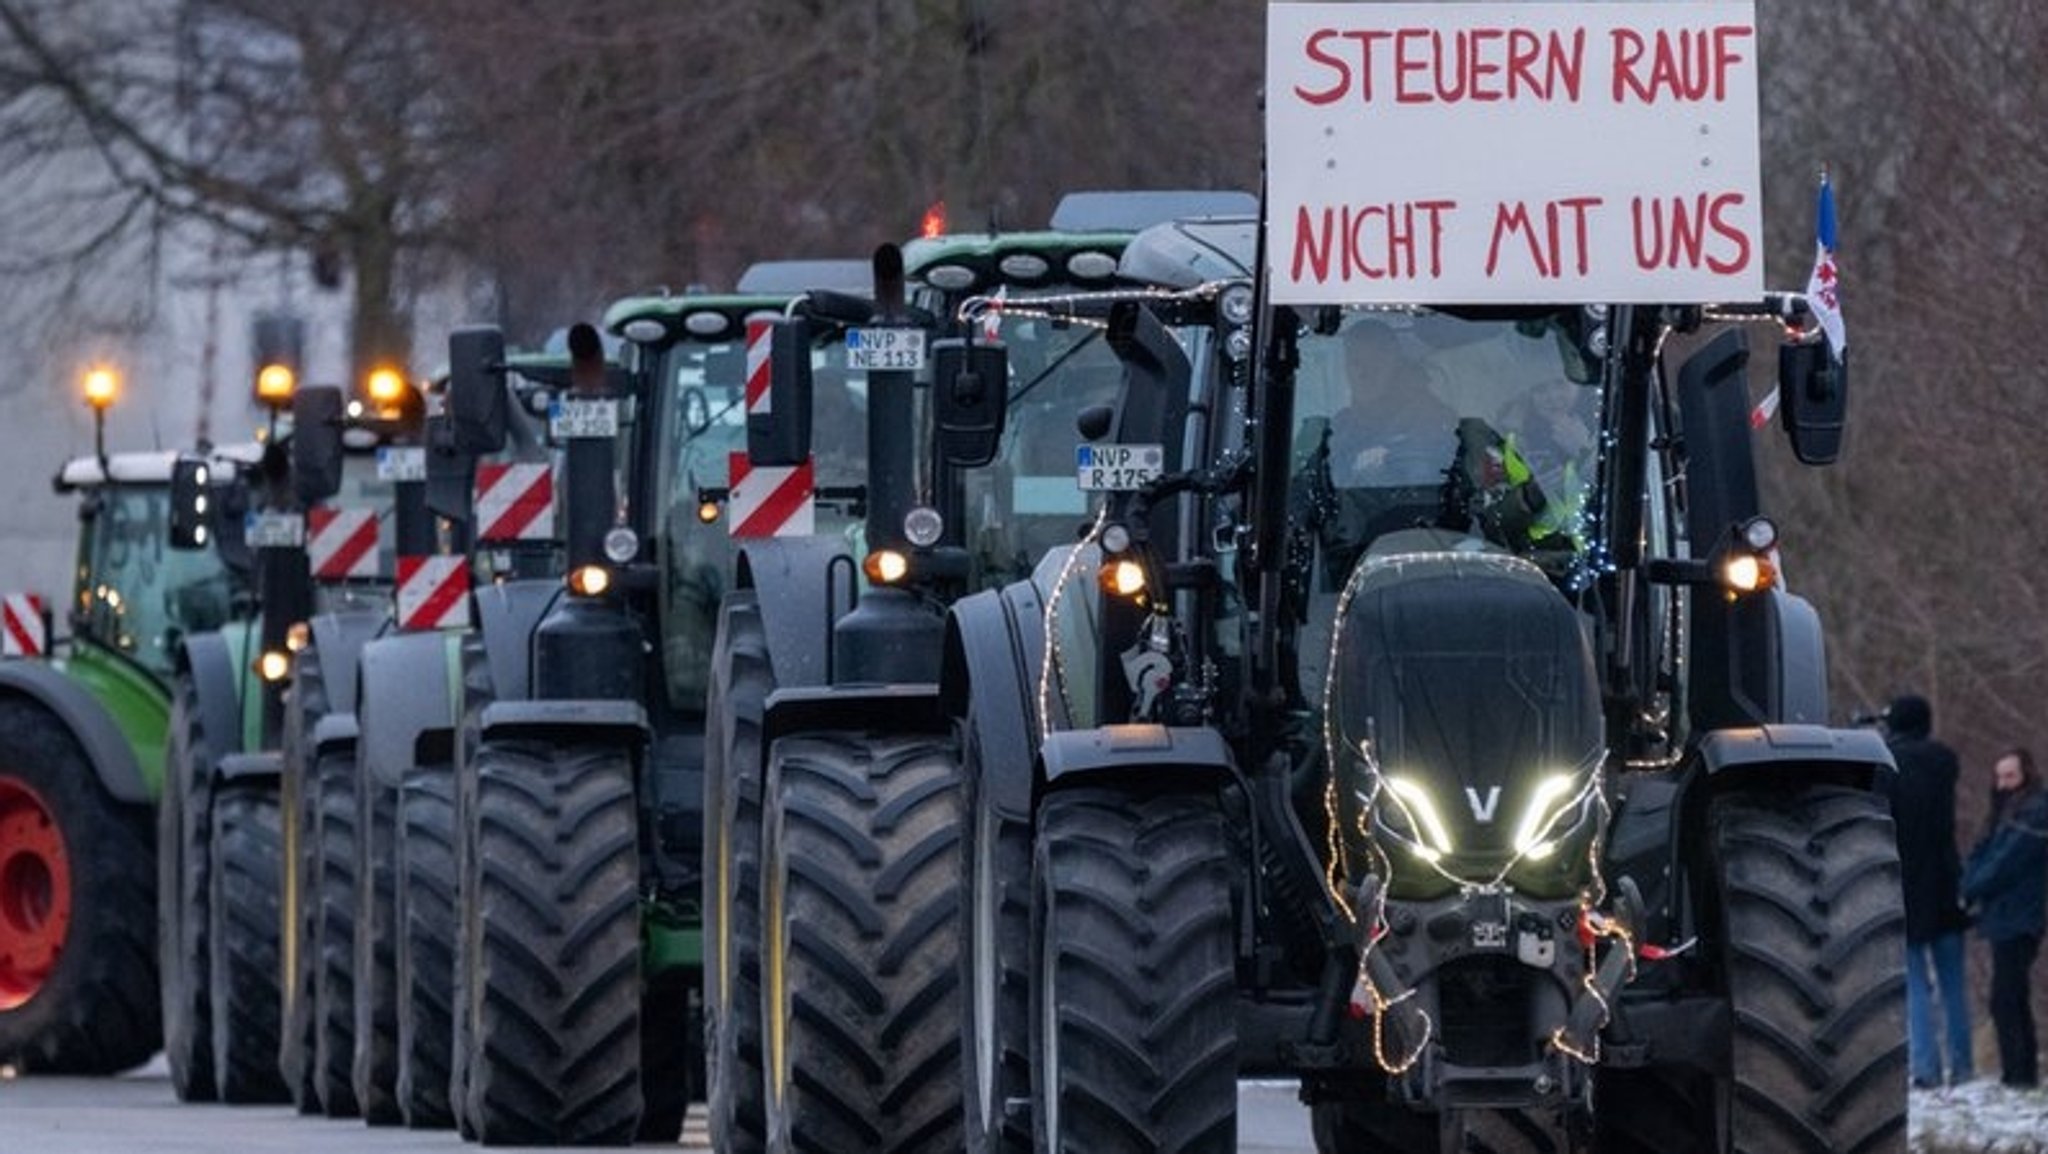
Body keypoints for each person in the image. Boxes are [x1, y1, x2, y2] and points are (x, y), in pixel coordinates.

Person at [1874, 694, 1975, 1088]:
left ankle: (1926, 1068)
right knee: (1953, 983)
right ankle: (1963, 1066)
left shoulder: (1888, 762)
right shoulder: (1944, 760)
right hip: (1946, 879)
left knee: (1914, 983)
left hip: (1904, 883)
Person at [1963, 745, 2048, 1089]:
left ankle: (2019, 1074)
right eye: (1999, 777)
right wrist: (1970, 882)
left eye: (2009, 775)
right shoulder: (2010, 813)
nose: (2003, 783)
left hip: (2020, 914)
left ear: (2026, 774)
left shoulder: (2034, 813)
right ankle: (2018, 1072)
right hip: (2008, 913)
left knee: (2006, 996)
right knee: (2011, 995)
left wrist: (1972, 888)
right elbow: (1985, 853)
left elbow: (2005, 862)